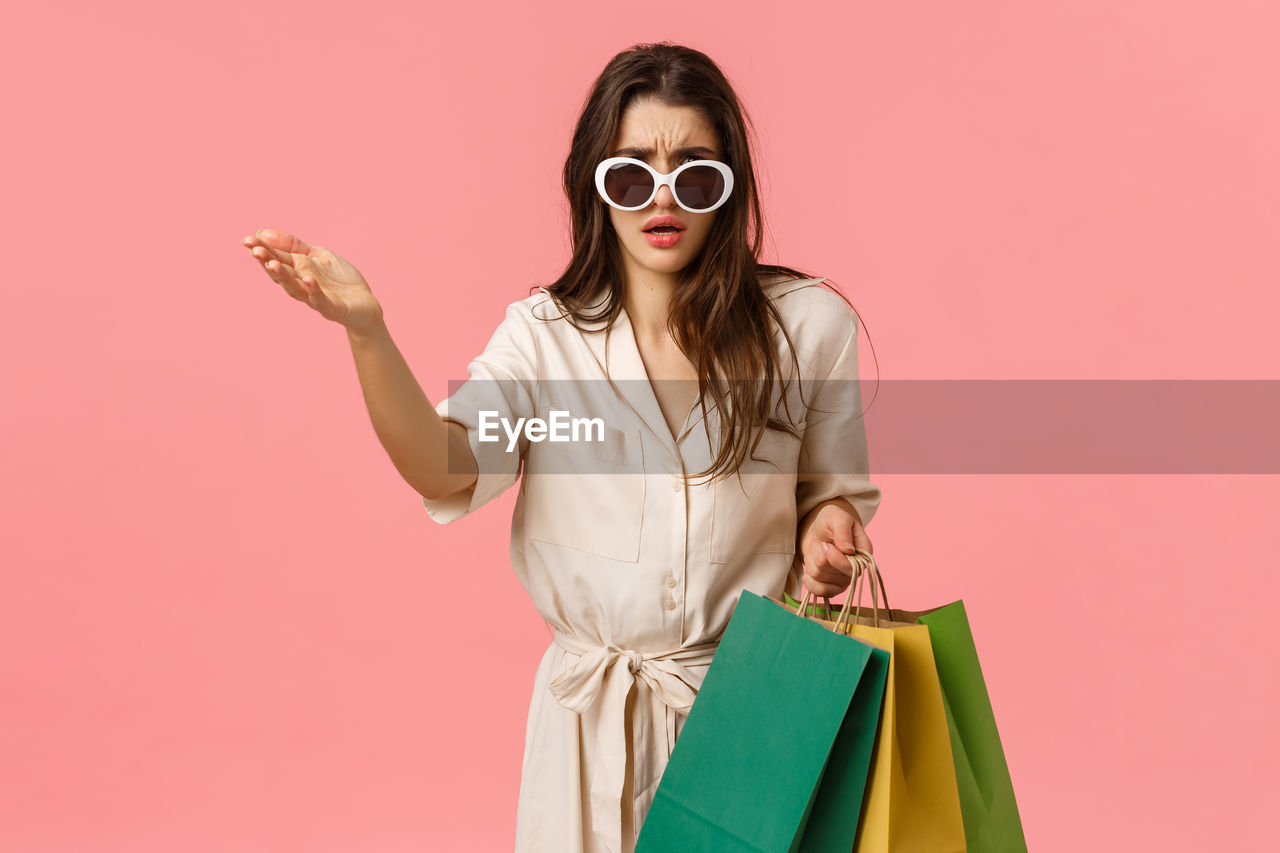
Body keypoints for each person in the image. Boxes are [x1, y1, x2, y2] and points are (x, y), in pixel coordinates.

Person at [242, 41, 880, 853]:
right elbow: (443, 463)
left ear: (729, 187)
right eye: (630, 173)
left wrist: (828, 534)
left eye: (694, 172)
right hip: (586, 732)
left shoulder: (808, 326)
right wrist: (368, 333)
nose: (662, 197)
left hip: (751, 720)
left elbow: (830, 495)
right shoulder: (543, 340)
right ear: (594, 183)